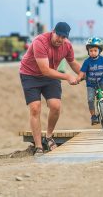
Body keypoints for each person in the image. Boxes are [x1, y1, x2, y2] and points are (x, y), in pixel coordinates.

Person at [19, 22, 81, 156]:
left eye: (63, 37)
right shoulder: (40, 42)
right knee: (35, 108)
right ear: (53, 31)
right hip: (30, 75)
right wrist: (67, 76)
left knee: (56, 106)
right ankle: (39, 146)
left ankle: (48, 136)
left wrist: (85, 74)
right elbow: (45, 70)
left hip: (50, 75)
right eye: (58, 35)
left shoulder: (67, 45)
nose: (60, 39)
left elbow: (73, 62)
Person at [76, 37, 103, 125]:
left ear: (99, 51)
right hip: (90, 84)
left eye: (95, 50)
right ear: (88, 51)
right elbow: (82, 72)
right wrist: (79, 78)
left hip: (101, 82)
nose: (93, 52)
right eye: (91, 51)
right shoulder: (87, 62)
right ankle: (93, 116)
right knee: (90, 100)